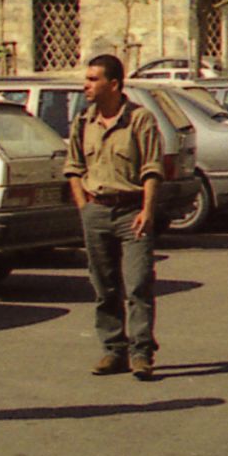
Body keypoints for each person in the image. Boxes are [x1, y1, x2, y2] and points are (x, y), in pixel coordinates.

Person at [67, 52, 166, 381]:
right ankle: (113, 350)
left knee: (137, 283)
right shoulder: (84, 121)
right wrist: (84, 205)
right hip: (96, 210)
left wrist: (148, 211)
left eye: (93, 79)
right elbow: (74, 167)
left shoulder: (140, 119)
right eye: (87, 79)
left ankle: (141, 352)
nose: (86, 86)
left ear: (114, 84)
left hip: (132, 211)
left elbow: (152, 170)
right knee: (104, 286)